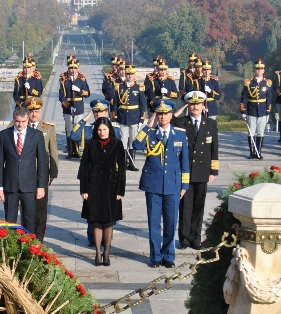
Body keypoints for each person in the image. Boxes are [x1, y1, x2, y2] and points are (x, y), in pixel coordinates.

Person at [133, 100, 189, 268]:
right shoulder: (150, 133)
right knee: (154, 222)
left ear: (171, 115)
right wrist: (148, 126)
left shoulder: (179, 134)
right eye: (160, 113)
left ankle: (168, 256)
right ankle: (155, 256)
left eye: (166, 113)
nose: (163, 116)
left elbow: (184, 161)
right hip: (153, 184)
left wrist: (184, 185)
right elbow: (136, 144)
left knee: (171, 223)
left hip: (172, 184)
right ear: (156, 115)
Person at [71, 99, 121, 248]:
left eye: (102, 112)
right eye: (96, 112)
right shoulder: (87, 129)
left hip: (108, 175)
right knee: (92, 207)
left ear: (107, 113)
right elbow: (73, 136)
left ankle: (106, 238)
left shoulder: (114, 130)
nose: (99, 114)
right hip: (91, 175)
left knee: (108, 206)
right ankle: (93, 238)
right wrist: (84, 119)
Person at [173, 91, 218, 250]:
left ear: (203, 105)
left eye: (198, 104)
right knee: (185, 206)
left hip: (202, 171)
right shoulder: (181, 123)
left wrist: (213, 171)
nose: (195, 107)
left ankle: (196, 238)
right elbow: (167, 118)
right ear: (188, 106)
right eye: (191, 104)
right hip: (185, 171)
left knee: (199, 206)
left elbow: (214, 149)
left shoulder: (210, 124)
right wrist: (180, 109)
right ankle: (184, 239)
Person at [79, 117, 126, 266]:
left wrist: (120, 190)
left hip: (111, 187)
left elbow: (122, 169)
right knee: (96, 221)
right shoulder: (91, 144)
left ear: (109, 129)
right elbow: (84, 167)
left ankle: (107, 252)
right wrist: (84, 189)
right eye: (99, 129)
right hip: (94, 187)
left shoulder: (117, 144)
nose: (102, 132)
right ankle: (98, 253)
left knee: (109, 222)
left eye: (104, 129)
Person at [0, 106, 47, 233]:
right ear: (14, 119)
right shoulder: (4, 135)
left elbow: (42, 163)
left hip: (29, 186)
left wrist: (41, 186)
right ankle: (10, 247)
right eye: (18, 121)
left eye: (23, 121)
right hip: (10, 186)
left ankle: (28, 247)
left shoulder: (37, 135)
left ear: (28, 120)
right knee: (9, 221)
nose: (20, 124)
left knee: (29, 219)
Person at [19, 96, 58, 241]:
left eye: (37, 111)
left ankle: (39, 237)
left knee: (41, 208)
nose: (34, 114)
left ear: (41, 112)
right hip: (25, 174)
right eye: (31, 111)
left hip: (41, 174)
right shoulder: (20, 127)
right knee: (25, 206)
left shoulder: (47, 128)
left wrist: (53, 173)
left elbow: (53, 151)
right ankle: (26, 235)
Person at [112, 63, 146, 171]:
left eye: (131, 74)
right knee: (122, 141)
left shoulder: (139, 88)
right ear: (125, 74)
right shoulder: (119, 87)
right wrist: (114, 118)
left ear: (134, 75)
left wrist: (141, 119)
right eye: (128, 74)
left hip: (134, 117)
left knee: (132, 141)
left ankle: (131, 163)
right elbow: (115, 104)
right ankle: (123, 162)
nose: (129, 76)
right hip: (122, 117)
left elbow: (142, 105)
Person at [240, 58, 272, 159]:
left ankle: (258, 152)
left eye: (261, 69)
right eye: (257, 69)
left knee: (260, 132)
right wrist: (243, 110)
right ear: (254, 70)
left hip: (262, 110)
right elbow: (244, 97)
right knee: (251, 132)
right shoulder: (248, 82)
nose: (259, 71)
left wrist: (268, 112)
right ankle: (252, 152)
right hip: (251, 109)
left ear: (264, 70)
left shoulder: (267, 82)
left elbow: (269, 98)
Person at [59, 56, 90, 159]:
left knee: (77, 129)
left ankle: (77, 151)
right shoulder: (64, 79)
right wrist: (68, 106)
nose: (72, 70)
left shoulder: (82, 79)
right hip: (68, 108)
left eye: (74, 68)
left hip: (79, 107)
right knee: (69, 129)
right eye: (71, 68)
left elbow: (87, 93)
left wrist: (79, 91)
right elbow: (61, 96)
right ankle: (70, 151)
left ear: (78, 68)